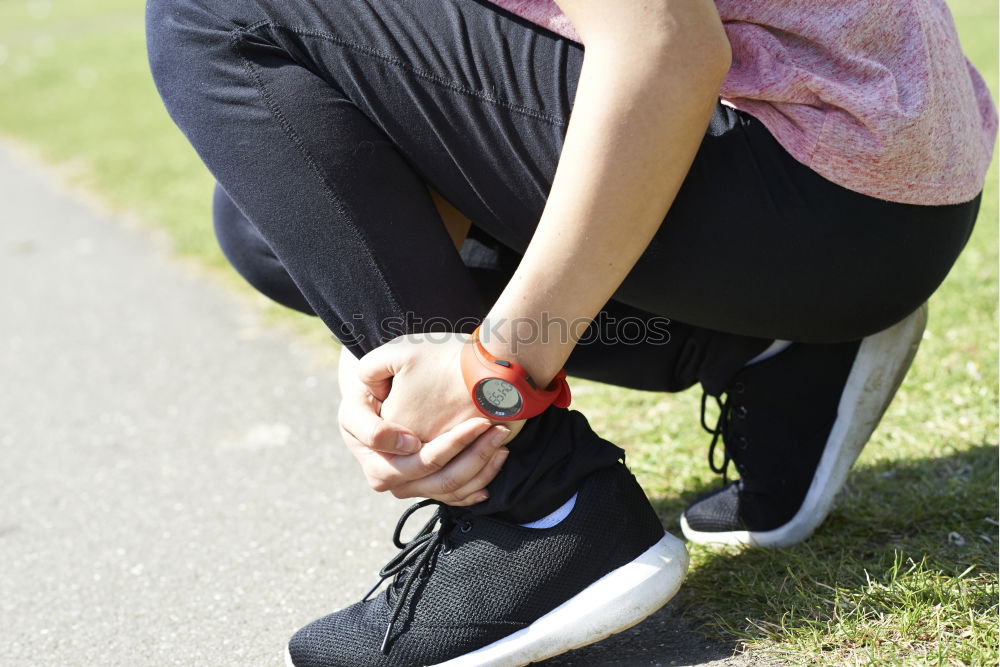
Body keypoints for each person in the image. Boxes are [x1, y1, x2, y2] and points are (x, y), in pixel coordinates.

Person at [145, 0, 996, 664]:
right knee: (271, 223)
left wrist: (493, 378)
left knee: (212, 11)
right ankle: (768, 348)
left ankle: (543, 506)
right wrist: (385, 353)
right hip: (874, 187)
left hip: (819, 176)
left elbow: (666, 49)